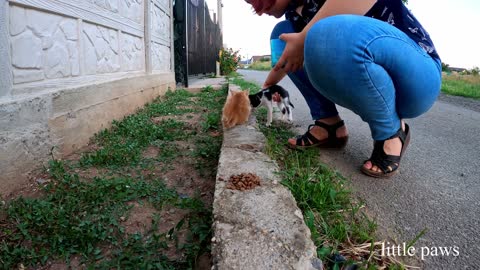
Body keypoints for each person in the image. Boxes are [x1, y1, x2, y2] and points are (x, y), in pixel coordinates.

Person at [245, 0, 442, 178]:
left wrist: (305, 36)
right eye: (252, 6)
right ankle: (328, 124)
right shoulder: (294, 13)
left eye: (257, 0)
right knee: (283, 34)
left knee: (324, 32)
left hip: (417, 76)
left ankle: (391, 131)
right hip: (377, 66)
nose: (259, 10)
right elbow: (288, 57)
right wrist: (265, 89)